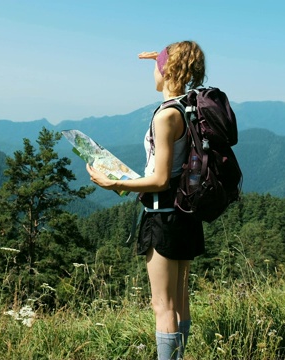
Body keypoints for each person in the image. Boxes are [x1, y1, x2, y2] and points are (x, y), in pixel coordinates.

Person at [86, 40, 206, 360]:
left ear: (166, 70)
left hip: (163, 215)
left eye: (158, 66)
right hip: (186, 214)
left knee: (162, 306)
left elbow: (160, 179)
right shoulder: (191, 105)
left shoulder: (165, 116)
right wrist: (165, 56)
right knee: (180, 300)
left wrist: (115, 184)